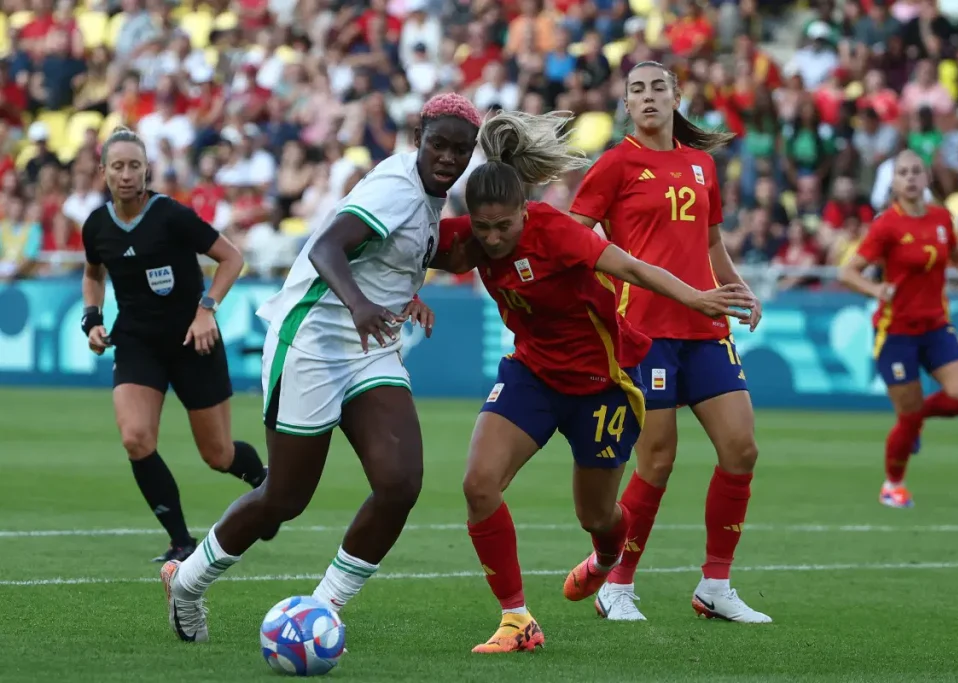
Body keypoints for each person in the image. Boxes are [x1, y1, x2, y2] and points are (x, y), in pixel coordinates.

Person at [159, 94, 481, 643]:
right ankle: (186, 583)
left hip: (370, 348)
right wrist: (359, 304)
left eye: (460, 149)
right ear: (418, 139)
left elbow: (400, 254)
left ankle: (322, 608)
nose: (448, 157)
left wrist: (408, 292)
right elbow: (327, 248)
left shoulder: (430, 196)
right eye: (439, 145)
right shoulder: (397, 187)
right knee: (284, 498)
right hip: (312, 342)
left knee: (400, 483)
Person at [439, 110, 756, 653]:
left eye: (503, 226)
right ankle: (517, 620)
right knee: (478, 484)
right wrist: (405, 294)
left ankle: (608, 558)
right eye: (483, 227)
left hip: (603, 384)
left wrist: (698, 298)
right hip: (533, 374)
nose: (492, 238)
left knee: (597, 515)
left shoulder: (555, 231)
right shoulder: (465, 238)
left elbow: (632, 268)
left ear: (524, 211)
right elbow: (399, 248)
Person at [568, 60, 771, 624]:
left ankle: (715, 585)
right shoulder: (615, 165)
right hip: (645, 332)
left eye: (659, 87)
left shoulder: (702, 164)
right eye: (637, 90)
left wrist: (737, 288)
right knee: (657, 460)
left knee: (741, 448)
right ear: (627, 105)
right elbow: (573, 240)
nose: (649, 96)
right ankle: (617, 585)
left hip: (705, 327)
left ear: (676, 97)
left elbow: (711, 243)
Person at [80, 126, 264, 563]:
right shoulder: (97, 225)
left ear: (147, 170)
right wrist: (92, 319)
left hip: (193, 342)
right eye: (118, 166)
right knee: (135, 439)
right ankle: (181, 541)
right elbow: (93, 273)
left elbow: (232, 258)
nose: (127, 174)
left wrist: (206, 310)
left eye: (135, 166)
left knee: (218, 455)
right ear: (103, 171)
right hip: (137, 343)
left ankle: (264, 484)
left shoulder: (171, 215)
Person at [838, 150, 958, 508]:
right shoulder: (887, 225)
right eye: (903, 172)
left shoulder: (941, 218)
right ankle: (893, 486)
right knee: (907, 415)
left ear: (927, 178)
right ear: (894, 182)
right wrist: (875, 289)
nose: (910, 177)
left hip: (935, 326)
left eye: (916, 171)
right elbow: (848, 272)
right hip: (896, 332)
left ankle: (916, 419)